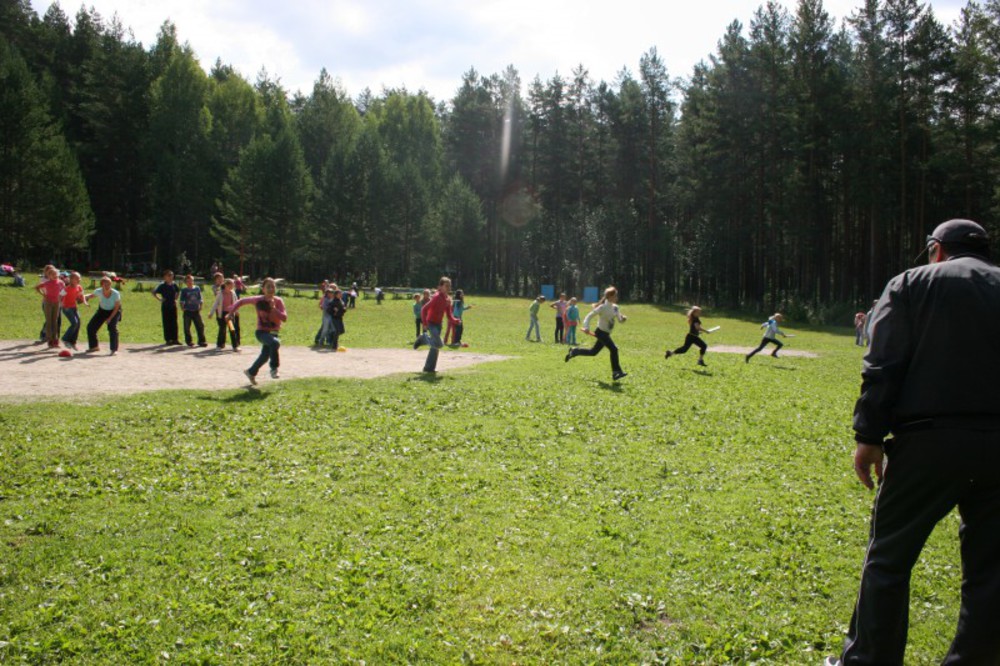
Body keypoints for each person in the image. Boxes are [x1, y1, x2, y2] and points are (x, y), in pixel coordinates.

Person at [825, 219, 1000, 666]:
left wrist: (868, 435)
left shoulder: (910, 283)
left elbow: (882, 363)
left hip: (927, 441)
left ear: (936, 249)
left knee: (889, 560)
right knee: (991, 573)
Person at [227, 276, 287, 385]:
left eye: (273, 287)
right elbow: (241, 302)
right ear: (263, 289)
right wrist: (231, 313)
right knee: (275, 343)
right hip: (261, 332)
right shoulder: (258, 300)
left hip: (274, 332)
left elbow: (284, 318)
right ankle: (274, 368)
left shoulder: (278, 301)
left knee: (265, 356)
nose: (271, 289)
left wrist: (274, 309)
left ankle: (251, 372)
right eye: (268, 287)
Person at [565, 286, 628, 381]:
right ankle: (616, 372)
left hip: (606, 334)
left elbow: (619, 320)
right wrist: (586, 327)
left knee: (593, 352)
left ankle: (574, 351)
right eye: (615, 296)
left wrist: (623, 318)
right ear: (609, 296)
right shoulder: (602, 307)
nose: (617, 298)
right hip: (600, 332)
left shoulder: (615, 308)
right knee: (614, 349)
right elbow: (589, 316)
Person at [414, 276, 460, 373]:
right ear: (440, 287)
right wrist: (425, 324)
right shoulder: (436, 297)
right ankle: (423, 338)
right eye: (446, 286)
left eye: (449, 286)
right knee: (439, 343)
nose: (448, 288)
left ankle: (429, 368)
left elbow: (448, 315)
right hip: (431, 323)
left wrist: (455, 320)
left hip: (439, 325)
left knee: (435, 347)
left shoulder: (447, 299)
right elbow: (423, 309)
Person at [84, 276, 122, 355]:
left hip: (114, 311)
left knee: (112, 327)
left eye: (109, 284)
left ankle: (114, 349)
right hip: (102, 311)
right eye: (105, 284)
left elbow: (117, 307)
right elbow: (92, 295)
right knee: (91, 327)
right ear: (102, 285)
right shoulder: (98, 291)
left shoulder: (115, 293)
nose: (107, 286)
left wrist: (110, 318)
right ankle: (94, 346)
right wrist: (85, 297)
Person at [35, 265, 64, 348]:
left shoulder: (61, 282)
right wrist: (43, 295)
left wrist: (61, 298)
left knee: (55, 321)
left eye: (56, 274)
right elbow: (37, 287)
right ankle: (50, 339)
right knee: (49, 321)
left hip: (57, 303)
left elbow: (64, 291)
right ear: (49, 276)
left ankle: (55, 339)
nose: (55, 276)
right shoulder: (46, 283)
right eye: (53, 274)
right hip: (48, 303)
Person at [210, 277, 240, 351]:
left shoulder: (233, 293)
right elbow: (216, 303)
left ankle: (235, 346)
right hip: (223, 314)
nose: (232, 287)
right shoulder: (220, 293)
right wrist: (211, 313)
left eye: (232, 286)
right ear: (226, 285)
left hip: (229, 314)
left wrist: (236, 311)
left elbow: (236, 302)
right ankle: (219, 346)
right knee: (222, 329)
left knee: (232, 329)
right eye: (231, 286)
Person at [60, 271, 86, 351]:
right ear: (71, 279)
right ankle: (65, 339)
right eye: (77, 278)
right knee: (74, 323)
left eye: (79, 278)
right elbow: (60, 296)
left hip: (74, 307)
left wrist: (84, 301)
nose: (79, 280)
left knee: (78, 323)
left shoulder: (79, 287)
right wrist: (61, 305)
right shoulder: (67, 288)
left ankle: (73, 342)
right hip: (67, 308)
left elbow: (81, 296)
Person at [179, 274, 208, 347]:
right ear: (186, 282)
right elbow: (182, 300)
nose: (190, 282)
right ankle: (189, 341)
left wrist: (201, 305)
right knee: (187, 327)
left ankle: (202, 341)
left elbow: (200, 298)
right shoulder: (184, 290)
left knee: (200, 325)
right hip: (188, 310)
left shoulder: (197, 288)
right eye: (188, 281)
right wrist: (182, 307)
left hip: (196, 310)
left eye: (191, 281)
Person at [152, 270, 180, 345]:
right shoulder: (162, 285)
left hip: (173, 305)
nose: (171, 277)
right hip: (166, 306)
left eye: (172, 275)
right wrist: (160, 299)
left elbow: (178, 292)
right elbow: (154, 292)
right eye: (169, 275)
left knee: (174, 322)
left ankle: (175, 339)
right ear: (165, 277)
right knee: (166, 322)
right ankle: (168, 339)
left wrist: (176, 299)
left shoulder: (174, 285)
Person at [326, 287, 347, 351]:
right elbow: (328, 310)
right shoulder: (333, 301)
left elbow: (343, 308)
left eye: (341, 293)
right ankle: (334, 345)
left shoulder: (341, 300)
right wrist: (333, 311)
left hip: (340, 317)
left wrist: (344, 309)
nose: (341, 295)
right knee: (337, 331)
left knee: (342, 331)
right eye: (339, 294)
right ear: (336, 295)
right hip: (335, 318)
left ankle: (331, 335)